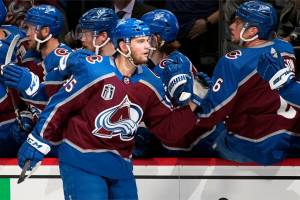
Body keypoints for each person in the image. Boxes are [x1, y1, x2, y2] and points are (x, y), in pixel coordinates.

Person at [16, 18, 199, 199]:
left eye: (149, 41)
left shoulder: (151, 82)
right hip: (82, 160)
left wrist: (192, 102)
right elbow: (59, 106)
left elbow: (167, 130)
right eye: (140, 41)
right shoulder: (94, 71)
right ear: (124, 46)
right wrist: (37, 141)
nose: (148, 47)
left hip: (120, 166)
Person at [162, 1, 300, 165]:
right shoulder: (285, 48)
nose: (231, 26)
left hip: (256, 144)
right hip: (291, 136)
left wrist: (195, 100)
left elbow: (210, 115)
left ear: (253, 31)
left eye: (239, 22)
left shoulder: (232, 61)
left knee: (181, 137)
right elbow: (259, 91)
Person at [133, 9, 220, 157]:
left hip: (191, 139)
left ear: (156, 39)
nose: (139, 39)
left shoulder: (175, 65)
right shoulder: (151, 63)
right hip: (177, 131)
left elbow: (179, 112)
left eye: (144, 35)